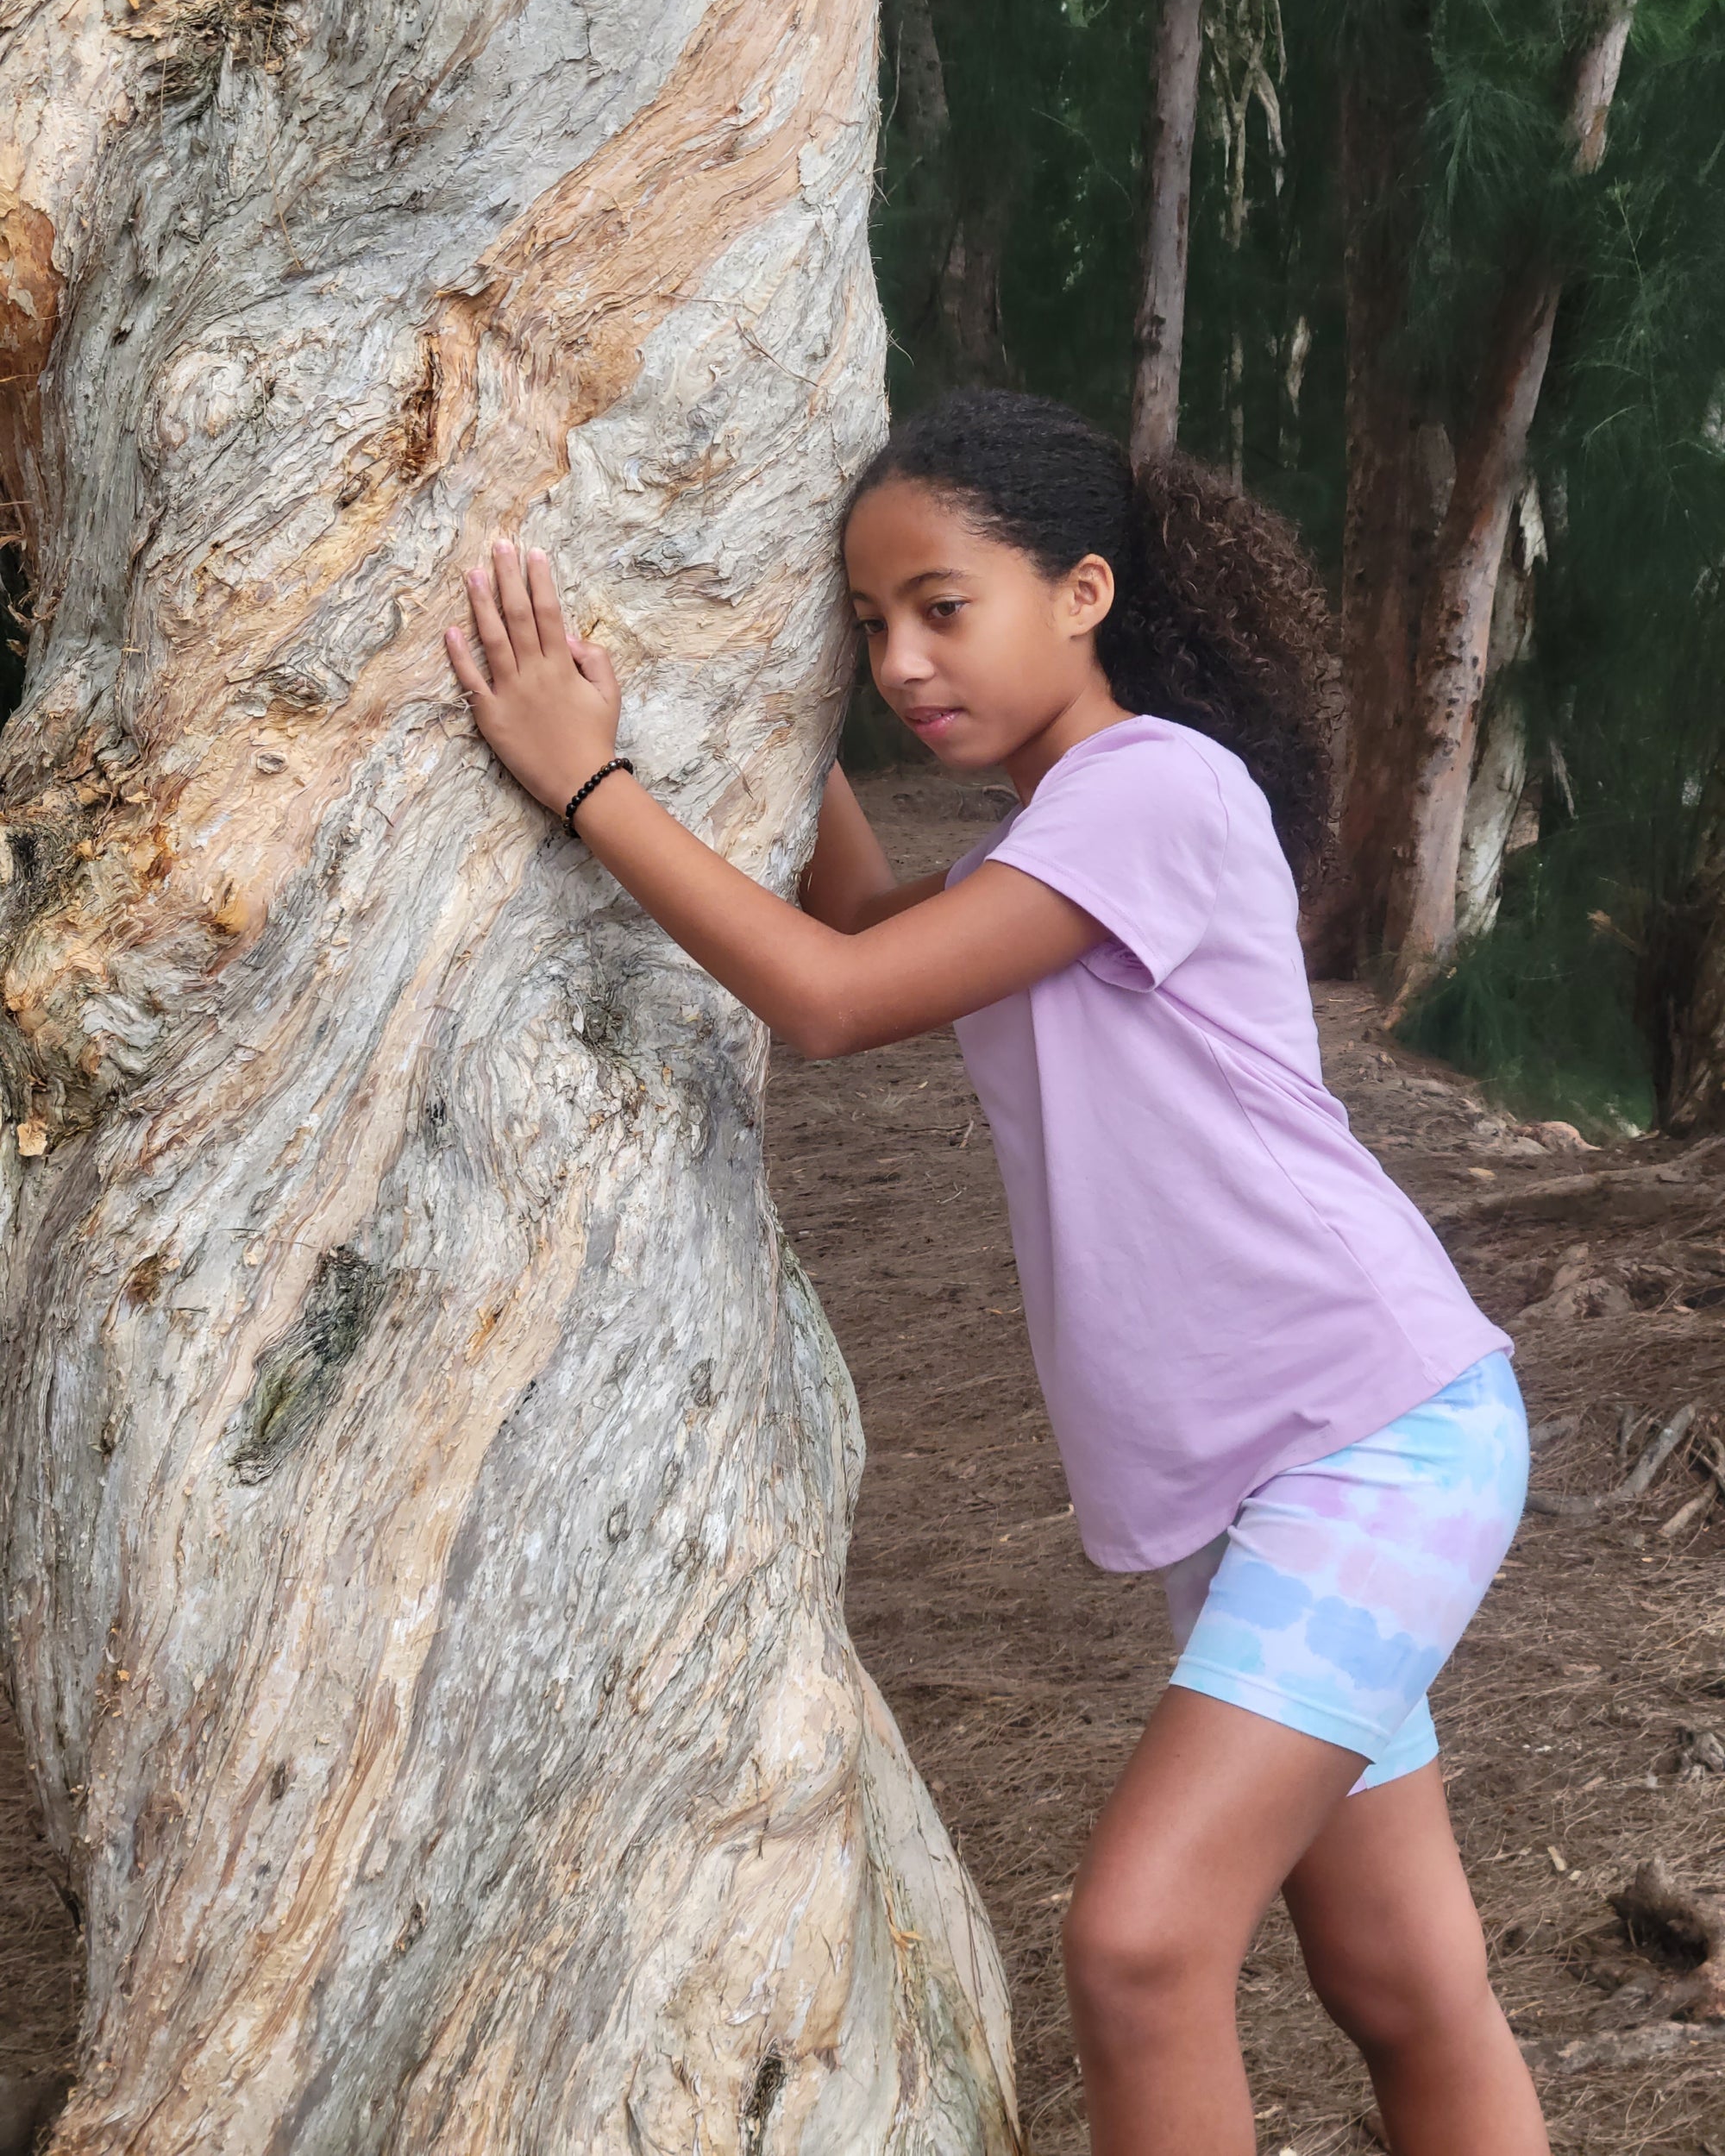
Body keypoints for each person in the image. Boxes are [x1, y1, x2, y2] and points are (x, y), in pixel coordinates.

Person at [442, 387, 1548, 2156]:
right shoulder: (1058, 836)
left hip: (1365, 1435)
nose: (898, 658)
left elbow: (823, 998)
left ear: (1086, 592)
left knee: (1134, 1947)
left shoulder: (1151, 790)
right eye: (866, 626)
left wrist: (585, 777)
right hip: (1264, 1472)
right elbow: (866, 928)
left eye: (941, 606)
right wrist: (761, 711)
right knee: (1400, 1979)